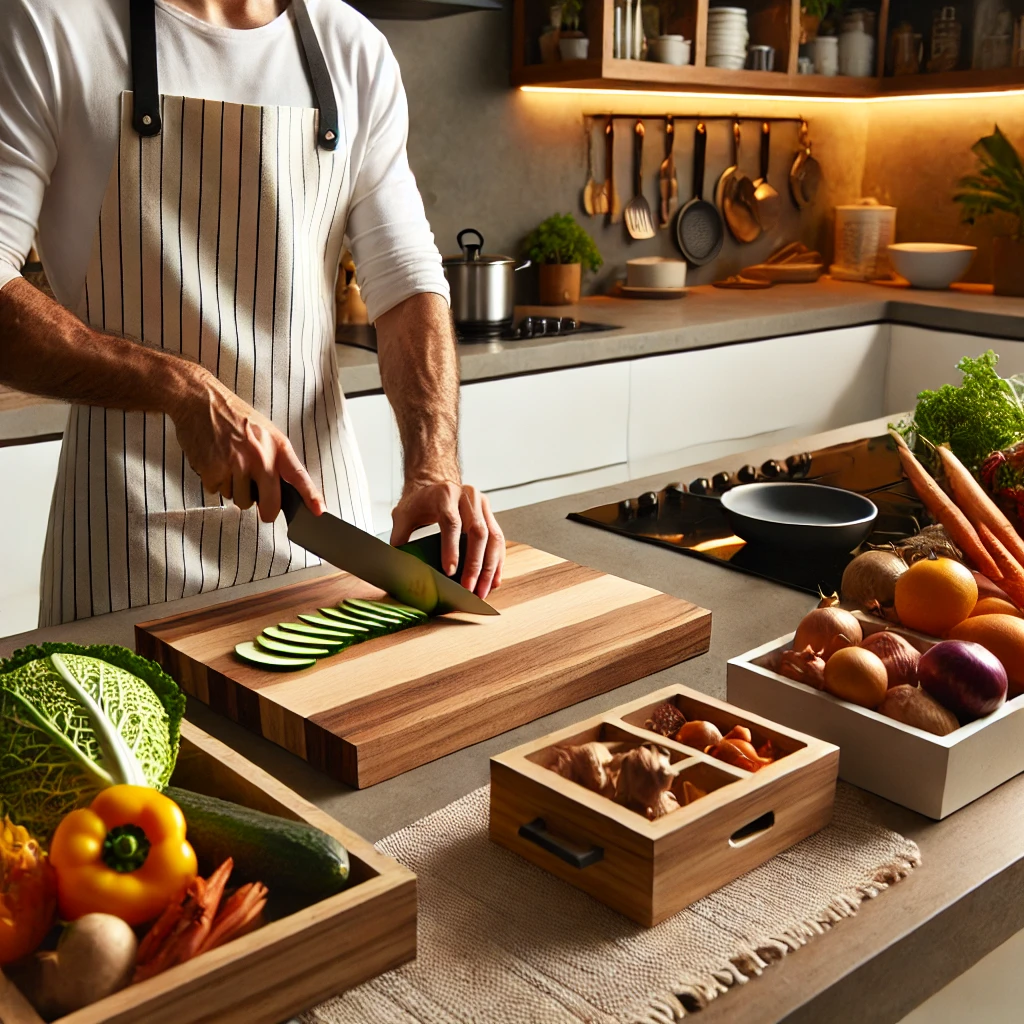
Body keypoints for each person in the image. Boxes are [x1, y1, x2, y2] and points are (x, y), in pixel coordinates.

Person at [0, 0, 504, 627]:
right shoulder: (50, 23)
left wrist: (434, 466)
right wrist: (183, 390)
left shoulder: (351, 47)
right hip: (126, 559)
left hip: (325, 554)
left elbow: (406, 283)